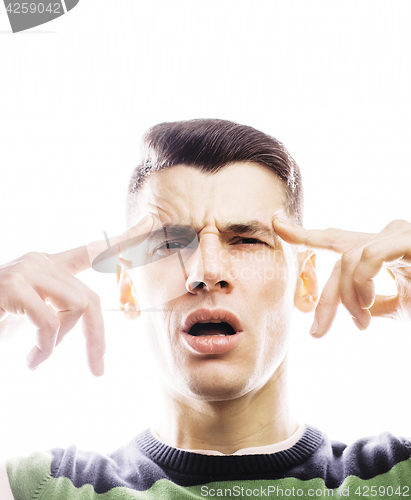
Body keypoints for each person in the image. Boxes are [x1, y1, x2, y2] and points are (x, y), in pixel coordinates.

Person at [0, 119, 410, 499]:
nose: (207, 272)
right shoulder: (42, 490)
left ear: (304, 281)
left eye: (247, 240)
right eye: (172, 243)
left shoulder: (393, 480)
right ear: (128, 286)